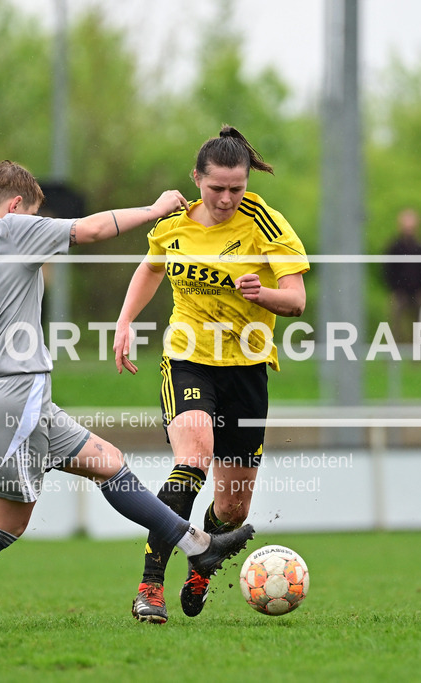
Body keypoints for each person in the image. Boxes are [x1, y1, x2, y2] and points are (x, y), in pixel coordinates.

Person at [0, 160, 255, 632]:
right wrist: (154, 210)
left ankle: (198, 546)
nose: (37, 223)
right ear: (16, 205)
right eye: (34, 214)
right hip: (18, 397)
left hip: (3, 399)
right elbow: (91, 229)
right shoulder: (14, 229)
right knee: (5, 524)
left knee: (108, 463)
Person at [113, 126, 309, 624]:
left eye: (236, 188)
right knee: (193, 458)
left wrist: (263, 294)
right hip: (188, 358)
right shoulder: (174, 224)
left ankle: (201, 566)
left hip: (247, 368)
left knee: (234, 509)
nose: (226, 199)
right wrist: (125, 320)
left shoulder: (265, 223)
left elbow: (296, 300)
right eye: (216, 187)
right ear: (196, 179)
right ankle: (150, 586)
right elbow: (151, 268)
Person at [383, 208, 421, 344]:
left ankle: (416, 351)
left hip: (417, 292)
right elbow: (388, 270)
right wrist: (395, 288)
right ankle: (395, 349)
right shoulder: (394, 246)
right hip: (399, 292)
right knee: (395, 323)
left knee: (419, 323)